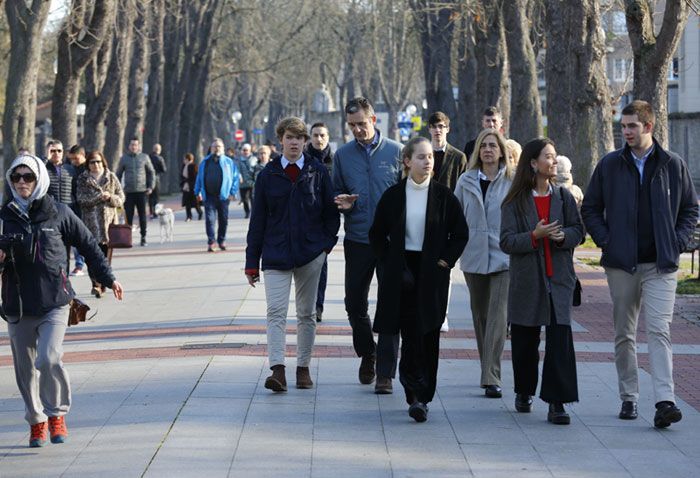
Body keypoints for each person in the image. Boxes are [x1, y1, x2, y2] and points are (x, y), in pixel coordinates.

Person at [581, 100, 698, 428]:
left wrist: (677, 242)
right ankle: (629, 396)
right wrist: (608, 240)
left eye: (632, 126)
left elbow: (690, 208)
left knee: (660, 329)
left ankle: (665, 400)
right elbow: (591, 207)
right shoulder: (609, 165)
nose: (626, 132)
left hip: (661, 263)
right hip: (622, 264)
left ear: (649, 126)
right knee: (625, 332)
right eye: (623, 126)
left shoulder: (673, 164)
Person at [0, 154, 124, 448]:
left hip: (55, 300)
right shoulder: (4, 216)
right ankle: (36, 420)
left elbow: (88, 245)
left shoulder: (58, 212)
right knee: (24, 369)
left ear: (39, 178)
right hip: (17, 306)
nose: (21, 183)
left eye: (27, 177)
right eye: (16, 177)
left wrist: (108, 278)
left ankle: (56, 414)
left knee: (49, 357)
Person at [369, 136, 467, 422]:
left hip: (432, 270)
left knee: (429, 333)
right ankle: (412, 391)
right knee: (408, 333)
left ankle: (424, 395)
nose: (427, 162)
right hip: (402, 270)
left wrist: (444, 262)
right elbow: (376, 235)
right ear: (407, 161)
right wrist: (390, 263)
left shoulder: (443, 196)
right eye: (421, 157)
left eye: (430, 157)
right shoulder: (394, 195)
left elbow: (460, 234)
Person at [245, 117, 340, 392]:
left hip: (311, 255)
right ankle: (277, 370)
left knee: (306, 314)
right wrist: (252, 262)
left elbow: (330, 214)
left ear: (305, 141)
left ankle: (303, 368)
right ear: (281, 141)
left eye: (300, 137)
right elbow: (257, 221)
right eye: (290, 137)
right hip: (275, 254)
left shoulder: (317, 171)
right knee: (275, 311)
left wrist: (324, 248)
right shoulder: (267, 175)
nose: (295, 142)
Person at [500, 137, 584, 425]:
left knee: (560, 341)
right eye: (548, 156)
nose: (554, 160)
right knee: (525, 342)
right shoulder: (515, 200)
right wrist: (534, 236)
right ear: (533, 163)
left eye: (555, 155)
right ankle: (524, 391)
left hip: (559, 279)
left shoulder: (563, 197)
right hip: (527, 281)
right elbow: (507, 241)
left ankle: (557, 402)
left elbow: (578, 232)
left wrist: (563, 238)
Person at [333, 96, 403, 394]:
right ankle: (368, 352)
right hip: (359, 239)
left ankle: (385, 372)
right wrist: (343, 203)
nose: (358, 130)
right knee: (354, 304)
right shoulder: (343, 155)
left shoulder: (397, 152)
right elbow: (336, 191)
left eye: (362, 123)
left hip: (390, 242)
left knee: (390, 307)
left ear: (374, 120)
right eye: (352, 126)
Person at [454, 128, 514, 399]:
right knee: (481, 315)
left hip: (504, 256)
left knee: (498, 316)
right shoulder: (466, 180)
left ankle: (491, 376)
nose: (488, 150)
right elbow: (454, 217)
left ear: (501, 151)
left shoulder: (512, 181)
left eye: (493, 145)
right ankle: (486, 367)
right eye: (484, 146)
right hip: (474, 255)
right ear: (477, 151)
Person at [427, 111, 468, 333]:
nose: (437, 130)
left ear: (447, 129)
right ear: (429, 129)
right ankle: (427, 310)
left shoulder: (458, 157)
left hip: (448, 218)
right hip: (424, 218)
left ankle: (442, 315)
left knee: (445, 268)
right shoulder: (423, 153)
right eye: (434, 126)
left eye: (441, 126)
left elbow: (461, 186)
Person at [76, 151, 126, 298]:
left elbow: (121, 197)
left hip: (108, 225)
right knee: (91, 256)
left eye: (98, 161)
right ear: (88, 164)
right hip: (90, 224)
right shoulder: (83, 179)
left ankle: (103, 284)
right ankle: (96, 284)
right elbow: (81, 199)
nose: (95, 165)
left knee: (105, 257)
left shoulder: (110, 177)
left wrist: (110, 197)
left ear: (103, 162)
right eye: (92, 162)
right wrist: (98, 197)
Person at [304, 122, 333, 322]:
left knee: (321, 266)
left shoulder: (336, 160)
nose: (319, 139)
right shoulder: (303, 160)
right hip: (306, 220)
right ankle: (306, 305)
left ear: (328, 137)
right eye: (315, 135)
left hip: (326, 223)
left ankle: (318, 306)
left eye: (322, 135)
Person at [44, 140, 85, 276]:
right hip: (49, 214)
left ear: (63, 153)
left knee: (67, 250)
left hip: (68, 213)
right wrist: (46, 158)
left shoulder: (70, 169)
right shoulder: (43, 168)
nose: (56, 153)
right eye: (53, 150)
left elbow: (76, 191)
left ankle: (65, 281)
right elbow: (36, 177)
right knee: (51, 249)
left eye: (59, 151)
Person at [194, 138, 240, 252]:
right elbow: (199, 177)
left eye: (219, 146)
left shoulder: (229, 162)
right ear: (211, 148)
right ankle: (211, 241)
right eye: (214, 146)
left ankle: (222, 240)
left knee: (223, 220)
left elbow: (235, 178)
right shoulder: (205, 162)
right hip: (209, 196)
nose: (217, 149)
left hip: (224, 197)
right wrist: (197, 191)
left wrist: (232, 192)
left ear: (223, 148)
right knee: (210, 219)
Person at [115, 138, 155, 246]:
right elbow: (118, 174)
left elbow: (151, 172)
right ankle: (128, 238)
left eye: (135, 145)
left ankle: (143, 237)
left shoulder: (144, 157)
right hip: (129, 192)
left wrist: (151, 186)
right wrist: (118, 189)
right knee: (129, 216)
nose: (134, 147)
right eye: (132, 145)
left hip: (142, 191)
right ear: (129, 146)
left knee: (142, 215)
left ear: (138, 146)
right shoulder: (124, 159)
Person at [148, 144, 167, 219]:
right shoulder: (160, 158)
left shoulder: (148, 157)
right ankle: (156, 212)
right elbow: (164, 169)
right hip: (156, 178)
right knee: (156, 197)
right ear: (159, 150)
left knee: (150, 197)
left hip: (148, 179)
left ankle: (151, 212)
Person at [236, 143, 256, 219]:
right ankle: (247, 212)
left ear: (250, 150)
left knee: (253, 198)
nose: (245, 152)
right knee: (245, 199)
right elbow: (237, 169)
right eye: (244, 150)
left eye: (246, 150)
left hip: (252, 182)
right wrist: (239, 176)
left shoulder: (254, 159)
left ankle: (254, 213)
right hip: (243, 183)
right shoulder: (239, 160)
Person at [180, 153, 202, 221]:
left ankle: (200, 212)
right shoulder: (184, 166)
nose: (184, 160)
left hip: (192, 186)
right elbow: (181, 175)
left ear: (188, 159)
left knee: (195, 202)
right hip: (185, 186)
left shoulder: (193, 166)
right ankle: (189, 216)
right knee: (187, 203)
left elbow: (195, 177)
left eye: (185, 159)